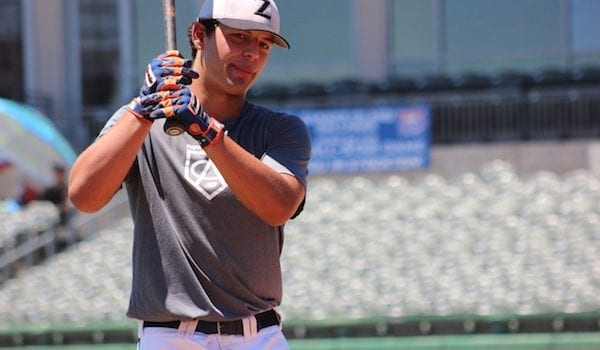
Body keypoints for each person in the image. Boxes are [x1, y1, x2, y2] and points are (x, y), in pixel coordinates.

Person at [68, 0, 310, 348]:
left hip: (258, 335)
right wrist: (142, 111)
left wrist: (207, 131)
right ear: (199, 34)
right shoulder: (142, 118)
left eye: (263, 44)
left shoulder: (281, 129)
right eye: (239, 37)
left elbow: (278, 206)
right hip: (170, 336)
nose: (252, 54)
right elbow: (83, 196)